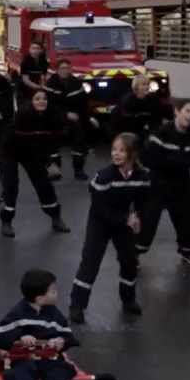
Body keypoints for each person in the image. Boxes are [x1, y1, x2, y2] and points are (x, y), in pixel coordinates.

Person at [68, 133, 149, 323]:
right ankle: (77, 305)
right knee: (90, 261)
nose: (116, 154)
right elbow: (100, 209)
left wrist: (138, 217)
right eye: (114, 149)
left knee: (129, 261)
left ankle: (128, 300)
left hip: (123, 221)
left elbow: (143, 200)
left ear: (133, 154)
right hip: (100, 222)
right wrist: (125, 220)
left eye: (122, 150)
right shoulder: (104, 177)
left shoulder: (142, 176)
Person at [0, 268, 79, 380]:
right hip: (25, 357)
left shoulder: (54, 313)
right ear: (40, 299)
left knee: (59, 370)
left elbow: (68, 335)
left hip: (49, 357)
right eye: (53, 291)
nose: (57, 293)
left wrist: (61, 341)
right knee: (22, 372)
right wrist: (20, 337)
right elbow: (1, 337)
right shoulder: (18, 313)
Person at [137, 100, 190, 266]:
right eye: (187, 111)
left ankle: (188, 251)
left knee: (185, 219)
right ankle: (134, 252)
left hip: (182, 184)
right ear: (177, 111)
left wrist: (175, 160)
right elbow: (150, 158)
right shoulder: (161, 133)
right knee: (148, 219)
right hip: (157, 183)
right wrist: (181, 161)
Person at [0, 89, 71, 238]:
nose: (41, 101)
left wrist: (51, 163)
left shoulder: (52, 118)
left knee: (44, 185)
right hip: (11, 151)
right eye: (37, 99)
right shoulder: (23, 116)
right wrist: (3, 166)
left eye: (44, 99)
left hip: (32, 153)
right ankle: (6, 222)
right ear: (31, 101)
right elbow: (8, 141)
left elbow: (52, 143)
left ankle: (56, 218)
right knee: (11, 187)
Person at [44, 59, 91, 181]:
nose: (65, 71)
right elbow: (49, 106)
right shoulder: (50, 84)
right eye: (63, 68)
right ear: (58, 70)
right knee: (53, 147)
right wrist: (65, 114)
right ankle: (55, 171)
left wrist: (86, 120)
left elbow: (83, 104)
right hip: (55, 119)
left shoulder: (77, 84)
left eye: (67, 68)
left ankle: (79, 170)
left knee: (79, 144)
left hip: (74, 119)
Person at [110, 74, 166, 146]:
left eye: (148, 84)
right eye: (143, 84)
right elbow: (124, 121)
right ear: (136, 87)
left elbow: (156, 119)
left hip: (146, 131)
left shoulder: (153, 100)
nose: (147, 87)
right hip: (128, 131)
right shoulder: (128, 101)